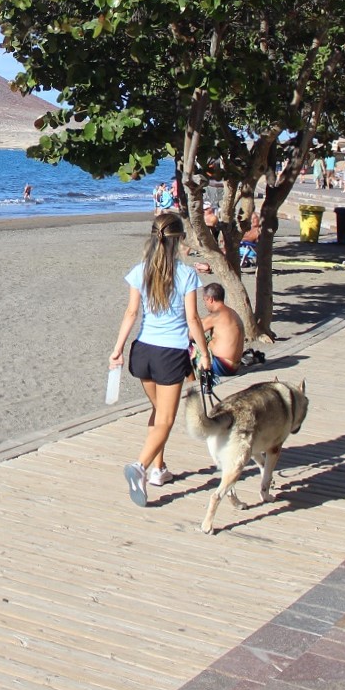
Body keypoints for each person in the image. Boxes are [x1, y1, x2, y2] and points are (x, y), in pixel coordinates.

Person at [109, 212, 213, 506]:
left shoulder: (140, 270)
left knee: (158, 411)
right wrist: (204, 354)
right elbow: (193, 318)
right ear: (179, 239)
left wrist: (117, 348)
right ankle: (139, 466)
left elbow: (131, 313)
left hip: (143, 350)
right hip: (170, 353)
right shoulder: (187, 274)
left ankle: (158, 470)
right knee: (166, 417)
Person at [197, 282, 244, 380]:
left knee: (187, 345)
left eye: (205, 300)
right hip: (235, 366)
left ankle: (192, 381)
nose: (205, 304)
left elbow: (192, 333)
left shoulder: (216, 315)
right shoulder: (232, 313)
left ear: (211, 299)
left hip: (222, 366)